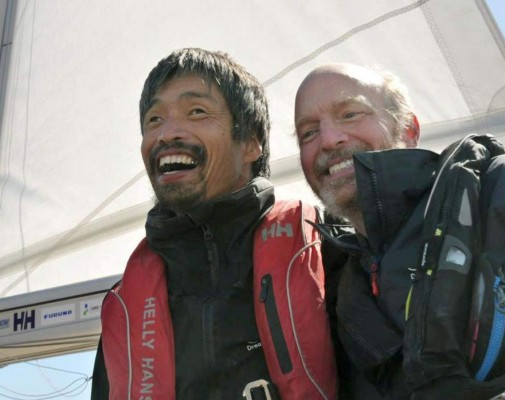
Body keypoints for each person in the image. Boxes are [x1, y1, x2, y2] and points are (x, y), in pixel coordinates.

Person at [91, 48, 338, 400]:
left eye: (196, 112)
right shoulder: (125, 309)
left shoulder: (330, 253)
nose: (166, 134)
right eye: (154, 120)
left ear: (251, 143)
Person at [294, 63, 505, 399]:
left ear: (408, 129)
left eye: (350, 113)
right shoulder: (330, 294)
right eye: (308, 133)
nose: (329, 139)